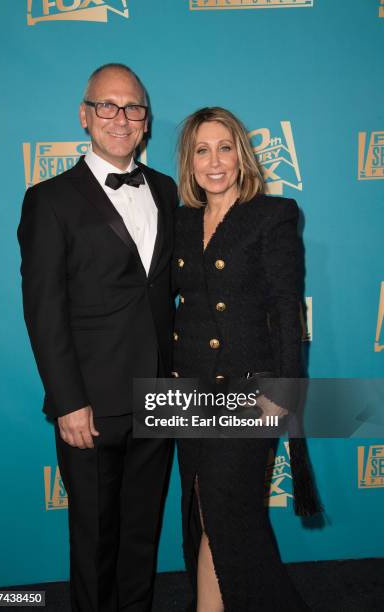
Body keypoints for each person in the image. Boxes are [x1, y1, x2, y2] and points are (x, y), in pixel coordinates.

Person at [18, 63, 178, 612]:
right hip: (90, 402)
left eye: (132, 107)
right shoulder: (50, 199)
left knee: (141, 534)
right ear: (84, 116)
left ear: (145, 121)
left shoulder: (165, 188)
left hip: (161, 395)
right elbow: (44, 311)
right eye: (106, 106)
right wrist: (68, 401)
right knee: (93, 540)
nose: (120, 117)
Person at [172, 107, 321, 611]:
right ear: (189, 160)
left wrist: (285, 387)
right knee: (206, 515)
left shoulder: (272, 215)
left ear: (242, 153)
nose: (215, 161)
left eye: (225, 147)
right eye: (202, 149)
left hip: (248, 389)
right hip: (188, 391)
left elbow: (286, 306)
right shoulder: (182, 220)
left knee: (230, 515)